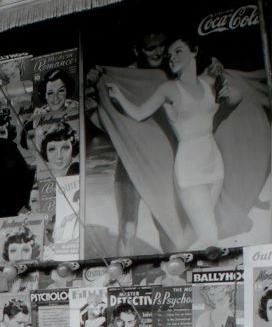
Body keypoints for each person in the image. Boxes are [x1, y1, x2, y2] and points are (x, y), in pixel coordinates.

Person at [102, 35, 241, 246]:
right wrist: (119, 96)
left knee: (195, 229)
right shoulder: (168, 88)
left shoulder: (208, 83)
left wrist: (225, 86)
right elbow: (139, 114)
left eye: (178, 51)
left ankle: (172, 266)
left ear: (194, 51)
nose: (172, 58)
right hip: (189, 167)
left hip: (214, 162)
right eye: (169, 55)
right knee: (209, 230)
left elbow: (237, 98)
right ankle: (182, 267)